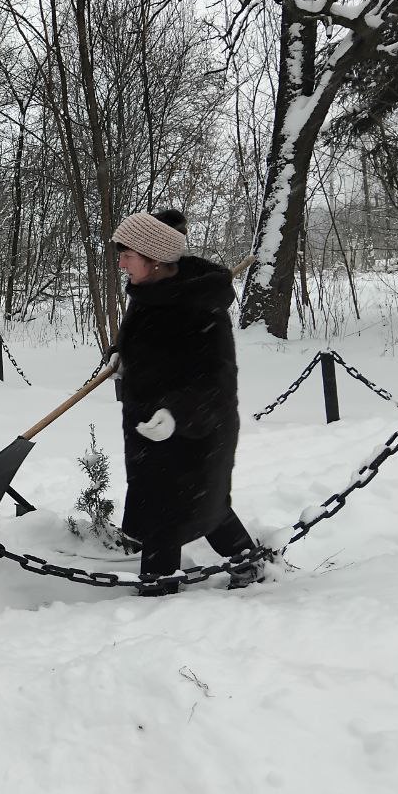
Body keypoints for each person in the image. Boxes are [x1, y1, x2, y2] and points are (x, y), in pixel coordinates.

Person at [110, 209, 262, 596]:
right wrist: (120, 355)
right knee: (170, 503)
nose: (121, 264)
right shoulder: (148, 292)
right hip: (151, 426)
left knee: (193, 504)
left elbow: (216, 379)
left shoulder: (196, 305)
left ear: (154, 259)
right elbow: (147, 342)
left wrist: (175, 412)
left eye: (127, 255)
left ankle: (161, 590)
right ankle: (239, 564)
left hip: (197, 428)